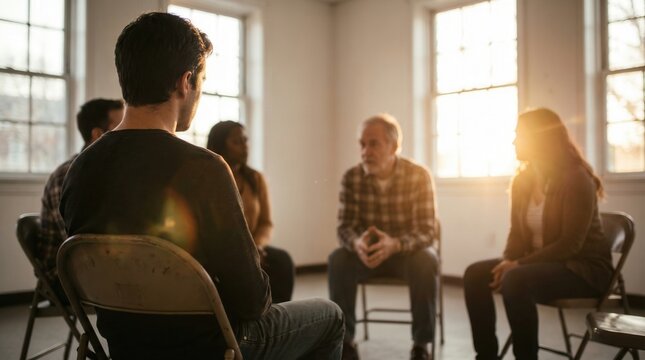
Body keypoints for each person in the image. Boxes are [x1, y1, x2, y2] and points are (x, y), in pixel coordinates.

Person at [60, 12, 343, 359]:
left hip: (125, 347)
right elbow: (253, 302)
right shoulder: (204, 168)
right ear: (185, 82)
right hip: (213, 346)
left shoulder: (81, 168)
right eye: (202, 82)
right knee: (331, 316)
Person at [463, 108, 613, 360]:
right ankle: (486, 355)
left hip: (583, 270)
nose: (513, 141)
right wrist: (507, 262)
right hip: (538, 265)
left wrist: (517, 265)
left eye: (518, 135)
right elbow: (517, 234)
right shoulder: (522, 181)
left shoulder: (577, 180)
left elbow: (571, 244)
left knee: (516, 279)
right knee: (475, 275)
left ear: (540, 139)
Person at [328, 114, 439, 360]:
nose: (365, 151)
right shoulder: (352, 177)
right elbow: (344, 227)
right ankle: (344, 341)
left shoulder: (418, 175)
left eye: (374, 143)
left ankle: (421, 344)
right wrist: (357, 243)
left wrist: (396, 244)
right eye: (362, 144)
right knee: (338, 259)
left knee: (427, 260)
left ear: (394, 146)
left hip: (405, 255)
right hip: (366, 256)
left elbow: (427, 231)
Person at [39, 98, 124, 300]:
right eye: (120, 127)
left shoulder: (104, 172)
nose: (126, 132)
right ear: (97, 135)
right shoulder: (70, 175)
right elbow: (78, 247)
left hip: (92, 267)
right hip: (63, 277)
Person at [207, 120, 295, 303]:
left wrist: (257, 247)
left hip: (254, 246)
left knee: (282, 261)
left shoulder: (256, 179)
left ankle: (277, 320)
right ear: (220, 145)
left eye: (245, 140)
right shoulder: (209, 179)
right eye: (237, 142)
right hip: (223, 251)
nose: (245, 146)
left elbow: (266, 223)